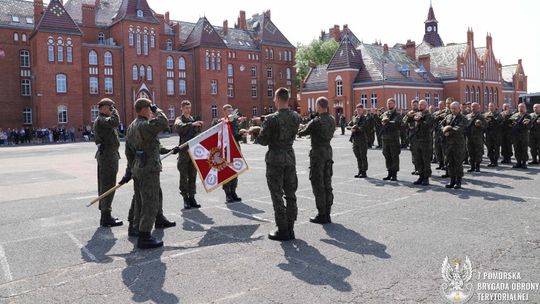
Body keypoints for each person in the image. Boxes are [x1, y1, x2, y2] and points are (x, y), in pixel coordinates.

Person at [124, 98, 170, 249]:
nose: (151, 111)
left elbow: (130, 152)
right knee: (150, 201)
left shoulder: (132, 126)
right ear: (144, 109)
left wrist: (130, 170)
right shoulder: (144, 125)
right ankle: (145, 236)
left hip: (138, 168)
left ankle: (135, 227)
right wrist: (158, 110)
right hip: (149, 169)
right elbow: (164, 123)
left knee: (139, 200)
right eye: (149, 108)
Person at [257, 87, 301, 241]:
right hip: (289, 156)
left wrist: (255, 131)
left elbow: (263, 140)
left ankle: (282, 229)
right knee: (290, 193)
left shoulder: (271, 119)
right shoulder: (296, 116)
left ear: (278, 99)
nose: (274, 101)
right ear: (287, 99)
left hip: (275, 158)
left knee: (277, 194)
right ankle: (290, 227)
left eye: (274, 98)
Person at [124, 144, 179, 238]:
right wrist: (128, 171)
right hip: (142, 168)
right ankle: (133, 225)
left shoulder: (145, 131)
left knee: (157, 193)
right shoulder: (137, 130)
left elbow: (155, 145)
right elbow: (130, 152)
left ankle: (159, 218)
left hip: (149, 167)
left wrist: (168, 150)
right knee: (138, 198)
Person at [298, 97, 336, 224]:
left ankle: (322, 214)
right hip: (328, 152)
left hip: (317, 154)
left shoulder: (316, 121)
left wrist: (301, 126)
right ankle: (328, 212)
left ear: (319, 107)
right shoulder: (332, 119)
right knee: (327, 182)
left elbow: (302, 133)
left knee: (317, 183)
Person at [93, 98, 123, 227]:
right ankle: (106, 216)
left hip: (109, 155)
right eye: (110, 107)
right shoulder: (102, 120)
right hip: (107, 156)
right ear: (103, 108)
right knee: (108, 185)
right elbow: (115, 122)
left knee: (106, 185)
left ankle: (106, 214)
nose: (112, 110)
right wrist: (115, 112)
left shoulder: (103, 120)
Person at [174, 100, 203, 209]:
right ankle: (185, 199)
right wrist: (192, 124)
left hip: (194, 152)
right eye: (186, 108)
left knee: (192, 176)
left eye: (189, 108)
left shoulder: (192, 119)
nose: (188, 110)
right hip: (184, 153)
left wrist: (199, 126)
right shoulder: (179, 120)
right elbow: (179, 127)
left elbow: (197, 135)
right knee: (183, 177)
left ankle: (192, 197)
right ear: (181, 108)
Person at [216, 104, 245, 203]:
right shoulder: (220, 122)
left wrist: (241, 135)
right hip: (225, 151)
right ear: (224, 111)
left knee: (235, 171)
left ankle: (233, 192)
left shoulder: (234, 122)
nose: (230, 112)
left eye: (231, 110)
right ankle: (227, 194)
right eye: (228, 111)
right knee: (227, 172)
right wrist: (227, 121)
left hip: (235, 149)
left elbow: (235, 136)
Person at [442, 102, 468, 189]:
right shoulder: (448, 116)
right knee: (450, 163)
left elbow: (459, 128)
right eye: (451, 108)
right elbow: (441, 124)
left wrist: (448, 131)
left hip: (458, 144)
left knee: (458, 163)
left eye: (455, 108)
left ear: (459, 108)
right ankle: (452, 181)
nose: (453, 110)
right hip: (449, 144)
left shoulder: (463, 118)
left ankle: (458, 181)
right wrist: (443, 130)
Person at [409, 100, 433, 185]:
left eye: (422, 104)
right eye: (419, 104)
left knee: (425, 160)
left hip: (425, 141)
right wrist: (410, 117)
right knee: (418, 160)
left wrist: (420, 121)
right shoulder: (416, 114)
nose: (420, 106)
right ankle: (420, 176)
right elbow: (409, 123)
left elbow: (428, 126)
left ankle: (426, 178)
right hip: (417, 140)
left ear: (426, 106)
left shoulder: (429, 115)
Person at [379, 98, 401, 181]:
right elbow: (379, 121)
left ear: (394, 104)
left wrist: (387, 122)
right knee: (387, 155)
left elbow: (396, 123)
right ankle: (389, 173)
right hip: (385, 138)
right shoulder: (385, 113)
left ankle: (394, 174)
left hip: (393, 139)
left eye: (391, 103)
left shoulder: (397, 114)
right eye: (388, 103)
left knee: (394, 156)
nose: (389, 105)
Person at [348, 104, 369, 178]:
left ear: (363, 110)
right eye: (357, 109)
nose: (358, 111)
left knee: (363, 156)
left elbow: (363, 128)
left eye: (360, 109)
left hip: (362, 139)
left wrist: (356, 129)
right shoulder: (354, 118)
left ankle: (364, 172)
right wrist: (351, 128)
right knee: (357, 156)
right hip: (355, 140)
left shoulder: (365, 118)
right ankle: (360, 170)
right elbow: (349, 125)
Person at [465, 102, 486, 172]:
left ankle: (477, 166)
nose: (473, 108)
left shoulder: (481, 117)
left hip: (478, 137)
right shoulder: (468, 116)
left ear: (478, 108)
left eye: (475, 107)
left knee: (478, 152)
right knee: (470, 152)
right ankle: (472, 166)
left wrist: (479, 125)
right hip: (469, 137)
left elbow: (485, 127)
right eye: (472, 107)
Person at [510, 103, 532, 169]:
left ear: (525, 108)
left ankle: (524, 163)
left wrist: (527, 123)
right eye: (519, 107)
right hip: (515, 135)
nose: (520, 108)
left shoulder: (527, 115)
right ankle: (518, 162)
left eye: (522, 107)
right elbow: (510, 123)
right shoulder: (514, 115)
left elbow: (529, 125)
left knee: (524, 149)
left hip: (523, 135)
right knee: (516, 149)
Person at [402, 99, 420, 175]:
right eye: (413, 105)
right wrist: (408, 116)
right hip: (411, 136)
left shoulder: (420, 113)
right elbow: (403, 123)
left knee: (418, 153)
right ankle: (416, 167)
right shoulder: (410, 113)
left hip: (419, 136)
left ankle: (419, 169)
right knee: (413, 152)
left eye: (415, 105)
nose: (414, 106)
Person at [484, 102, 502, 167]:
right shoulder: (486, 114)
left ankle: (495, 161)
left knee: (496, 147)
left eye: (492, 106)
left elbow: (497, 122)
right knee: (489, 147)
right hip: (488, 134)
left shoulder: (498, 114)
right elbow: (484, 122)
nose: (490, 108)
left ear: (495, 107)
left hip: (496, 134)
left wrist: (492, 119)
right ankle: (491, 161)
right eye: (489, 106)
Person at [432, 100, 448, 170]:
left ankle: (445, 164)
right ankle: (440, 163)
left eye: (441, 104)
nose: (440, 106)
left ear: (444, 105)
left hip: (443, 134)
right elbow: (433, 120)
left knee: (443, 150)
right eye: (439, 105)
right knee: (437, 149)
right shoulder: (435, 113)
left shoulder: (446, 113)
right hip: (436, 134)